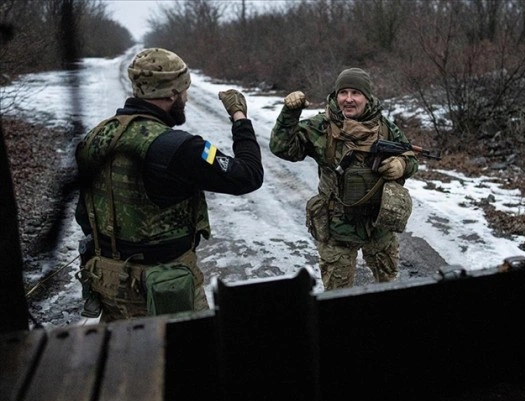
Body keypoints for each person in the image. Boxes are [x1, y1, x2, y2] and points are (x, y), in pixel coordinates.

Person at [74, 47, 263, 321]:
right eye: (184, 90)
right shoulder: (181, 148)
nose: (186, 97)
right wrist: (240, 118)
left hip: (111, 286)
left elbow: (85, 212)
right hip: (165, 290)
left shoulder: (95, 137)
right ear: (172, 93)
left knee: (124, 360)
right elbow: (247, 175)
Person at [269, 67, 419, 290]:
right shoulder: (321, 127)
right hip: (337, 229)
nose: (348, 99)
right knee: (337, 298)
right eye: (343, 93)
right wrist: (289, 114)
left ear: (367, 98)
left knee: (389, 289)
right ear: (336, 95)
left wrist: (402, 165)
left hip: (378, 226)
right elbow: (282, 148)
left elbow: (410, 157)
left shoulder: (384, 127)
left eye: (355, 93)